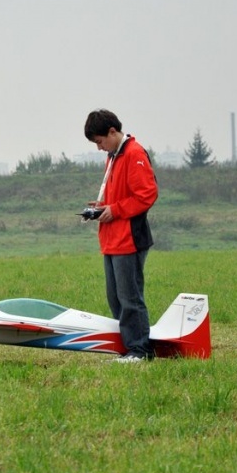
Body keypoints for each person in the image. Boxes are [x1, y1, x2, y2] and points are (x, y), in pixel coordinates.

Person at [83, 109, 158, 363]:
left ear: (112, 132)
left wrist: (114, 209)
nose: (99, 148)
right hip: (112, 240)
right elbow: (122, 196)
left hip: (129, 240)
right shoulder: (114, 156)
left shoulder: (134, 154)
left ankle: (140, 351)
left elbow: (147, 195)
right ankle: (129, 348)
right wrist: (103, 205)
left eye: (100, 141)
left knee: (130, 298)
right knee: (115, 298)